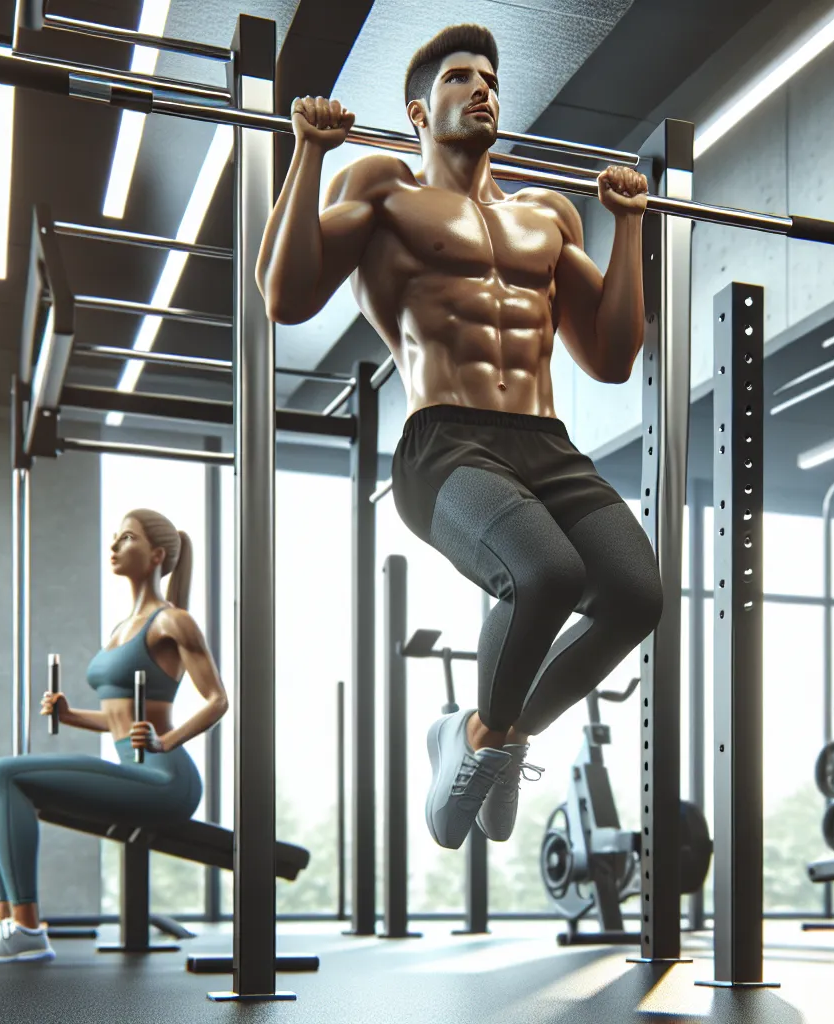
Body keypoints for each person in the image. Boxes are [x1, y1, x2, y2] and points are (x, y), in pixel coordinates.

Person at [257, 24, 661, 851]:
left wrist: (630, 228)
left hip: (546, 443)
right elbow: (286, 295)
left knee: (634, 596)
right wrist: (305, 154)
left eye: (489, 80)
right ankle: (492, 737)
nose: (481, 89)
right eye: (458, 79)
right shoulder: (383, 187)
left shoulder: (546, 217)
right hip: (444, 446)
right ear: (417, 108)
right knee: (545, 573)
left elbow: (615, 357)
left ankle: (485, 736)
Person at [0, 510, 227, 963]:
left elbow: (218, 700)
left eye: (127, 539)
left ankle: (26, 926)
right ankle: (4, 917)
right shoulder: (122, 629)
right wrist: (70, 714)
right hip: (132, 769)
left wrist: (165, 742)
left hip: (165, 779)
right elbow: (118, 719)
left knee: (2, 774)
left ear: (156, 555)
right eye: (115, 538)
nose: (114, 546)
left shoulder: (172, 622)